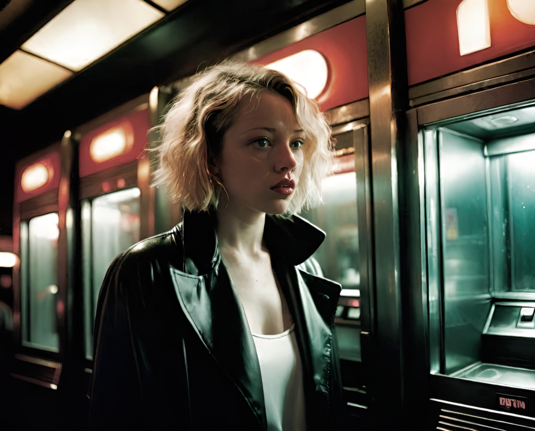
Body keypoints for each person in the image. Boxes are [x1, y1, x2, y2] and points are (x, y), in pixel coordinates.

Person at [89, 62, 346, 430]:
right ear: (209, 156)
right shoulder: (147, 272)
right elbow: (115, 416)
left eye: (297, 142)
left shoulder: (306, 270)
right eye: (262, 141)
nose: (288, 161)